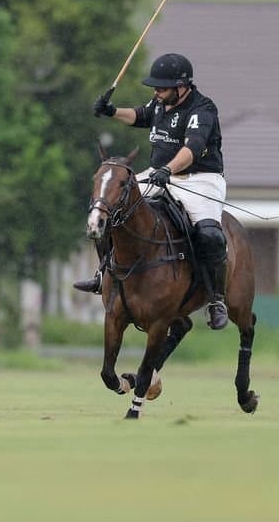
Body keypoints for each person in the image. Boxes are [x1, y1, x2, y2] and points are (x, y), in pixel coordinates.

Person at [74, 52, 230, 330]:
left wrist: (168, 170)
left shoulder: (202, 110)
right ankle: (103, 274)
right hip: (159, 175)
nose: (157, 92)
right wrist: (112, 111)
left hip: (198, 179)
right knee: (110, 208)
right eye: (155, 87)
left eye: (162, 87)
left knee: (209, 234)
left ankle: (216, 299)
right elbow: (140, 116)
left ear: (182, 87)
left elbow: (191, 149)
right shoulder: (161, 103)